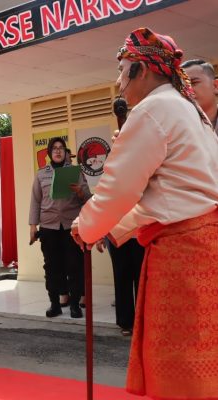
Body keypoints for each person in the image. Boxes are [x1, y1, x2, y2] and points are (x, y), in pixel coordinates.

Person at [72, 27, 218, 399]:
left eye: (123, 71)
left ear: (141, 69)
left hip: (182, 254)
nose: (118, 82)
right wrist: (109, 230)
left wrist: (87, 227)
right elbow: (167, 194)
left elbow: (118, 191)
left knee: (180, 362)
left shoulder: (153, 109)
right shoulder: (190, 111)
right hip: (205, 246)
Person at [29, 137, 90, 319]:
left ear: (65, 152)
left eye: (61, 148)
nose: (58, 151)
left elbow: (87, 198)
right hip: (49, 227)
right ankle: (54, 304)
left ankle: (74, 305)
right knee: (52, 267)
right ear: (49, 152)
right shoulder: (41, 174)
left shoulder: (75, 172)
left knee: (74, 266)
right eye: (54, 148)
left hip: (72, 226)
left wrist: (80, 191)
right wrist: (33, 226)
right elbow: (35, 201)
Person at [182, 59, 218, 133]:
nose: (187, 90)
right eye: (182, 86)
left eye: (193, 83)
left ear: (215, 86)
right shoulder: (175, 128)